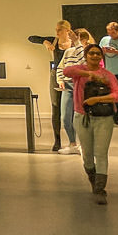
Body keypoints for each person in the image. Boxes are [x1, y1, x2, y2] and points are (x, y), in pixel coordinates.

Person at [64, 44, 118, 204]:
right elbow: (66, 71)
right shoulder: (79, 72)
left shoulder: (108, 75)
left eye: (98, 54)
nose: (95, 56)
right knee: (88, 155)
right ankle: (92, 177)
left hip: (103, 118)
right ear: (86, 55)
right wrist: (89, 74)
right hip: (82, 117)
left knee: (101, 153)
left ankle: (100, 189)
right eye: (92, 53)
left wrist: (97, 99)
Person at [55, 28, 94, 156]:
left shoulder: (88, 52)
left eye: (76, 38)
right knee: (65, 117)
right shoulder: (68, 52)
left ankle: (84, 145)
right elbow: (61, 67)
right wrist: (60, 79)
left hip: (82, 87)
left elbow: (84, 63)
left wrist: (77, 43)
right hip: (68, 86)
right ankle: (73, 144)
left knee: (81, 117)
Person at [41, 20, 73, 151]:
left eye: (59, 30)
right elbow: (32, 38)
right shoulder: (54, 41)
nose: (57, 32)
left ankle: (73, 140)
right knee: (55, 106)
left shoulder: (73, 43)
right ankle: (57, 140)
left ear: (67, 30)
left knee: (72, 108)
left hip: (71, 75)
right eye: (56, 30)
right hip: (56, 75)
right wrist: (44, 42)